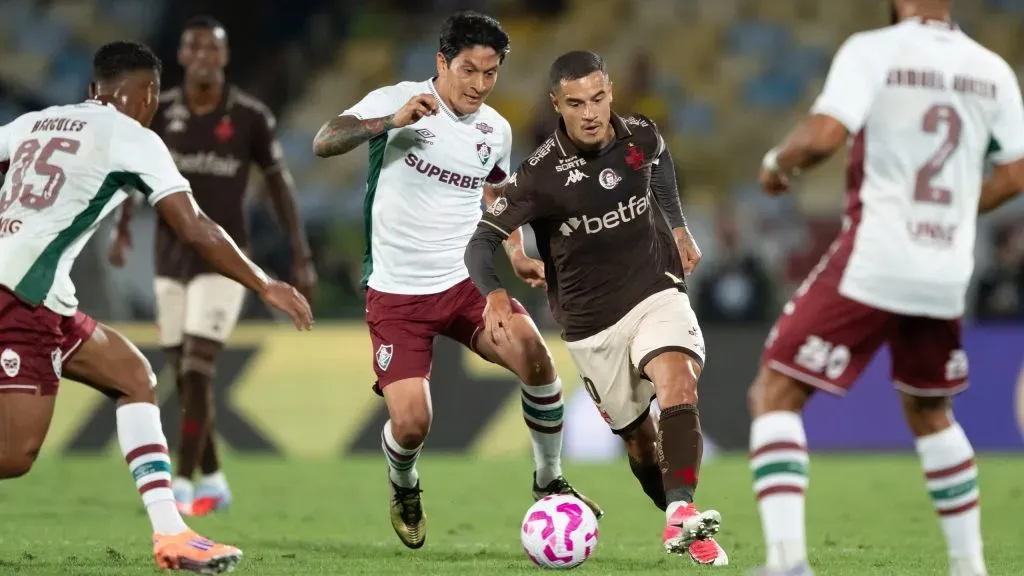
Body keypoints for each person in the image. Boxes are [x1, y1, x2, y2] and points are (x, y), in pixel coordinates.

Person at [0, 41, 312, 573]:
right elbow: (193, 226)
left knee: (134, 377)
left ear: (93, 87)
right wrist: (263, 283)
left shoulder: (38, 120)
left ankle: (171, 534)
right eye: (152, 95)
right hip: (19, 296)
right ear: (145, 94)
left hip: (42, 295)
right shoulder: (132, 136)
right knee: (14, 454)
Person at [750, 1, 1024, 574]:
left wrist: (778, 164)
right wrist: (952, 215)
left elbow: (824, 134)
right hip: (946, 267)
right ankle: (970, 567)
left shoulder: (872, 50)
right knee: (930, 410)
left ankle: (787, 562)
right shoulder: (993, 69)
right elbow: (1016, 171)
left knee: (775, 391)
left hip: (876, 256)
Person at [311, 12, 600, 549]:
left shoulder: (496, 129)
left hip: (464, 283)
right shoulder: (396, 99)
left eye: (491, 73)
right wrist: (389, 122)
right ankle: (405, 485)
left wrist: (515, 252)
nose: (480, 85)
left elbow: (497, 194)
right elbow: (324, 141)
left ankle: (548, 478)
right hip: (396, 293)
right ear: (442, 62)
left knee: (535, 357)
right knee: (413, 423)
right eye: (469, 70)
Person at [464, 50, 727, 566]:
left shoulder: (640, 135)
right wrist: (495, 292)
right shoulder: (539, 178)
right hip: (590, 325)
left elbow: (661, 162)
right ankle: (675, 514)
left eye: (599, 98)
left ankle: (683, 512)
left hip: (655, 291)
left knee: (678, 379)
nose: (591, 113)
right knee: (638, 444)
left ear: (610, 91)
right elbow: (480, 243)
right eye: (577, 103)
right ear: (556, 105)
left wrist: (677, 225)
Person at [109, 15, 316, 517]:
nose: (202, 57)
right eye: (193, 49)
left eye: (211, 49)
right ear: (181, 56)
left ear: (224, 56)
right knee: (183, 372)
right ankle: (216, 478)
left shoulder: (249, 116)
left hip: (226, 263)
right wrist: (120, 225)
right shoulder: (163, 113)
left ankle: (180, 481)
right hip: (170, 259)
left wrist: (300, 251)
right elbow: (133, 169)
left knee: (198, 368)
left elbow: (278, 185)